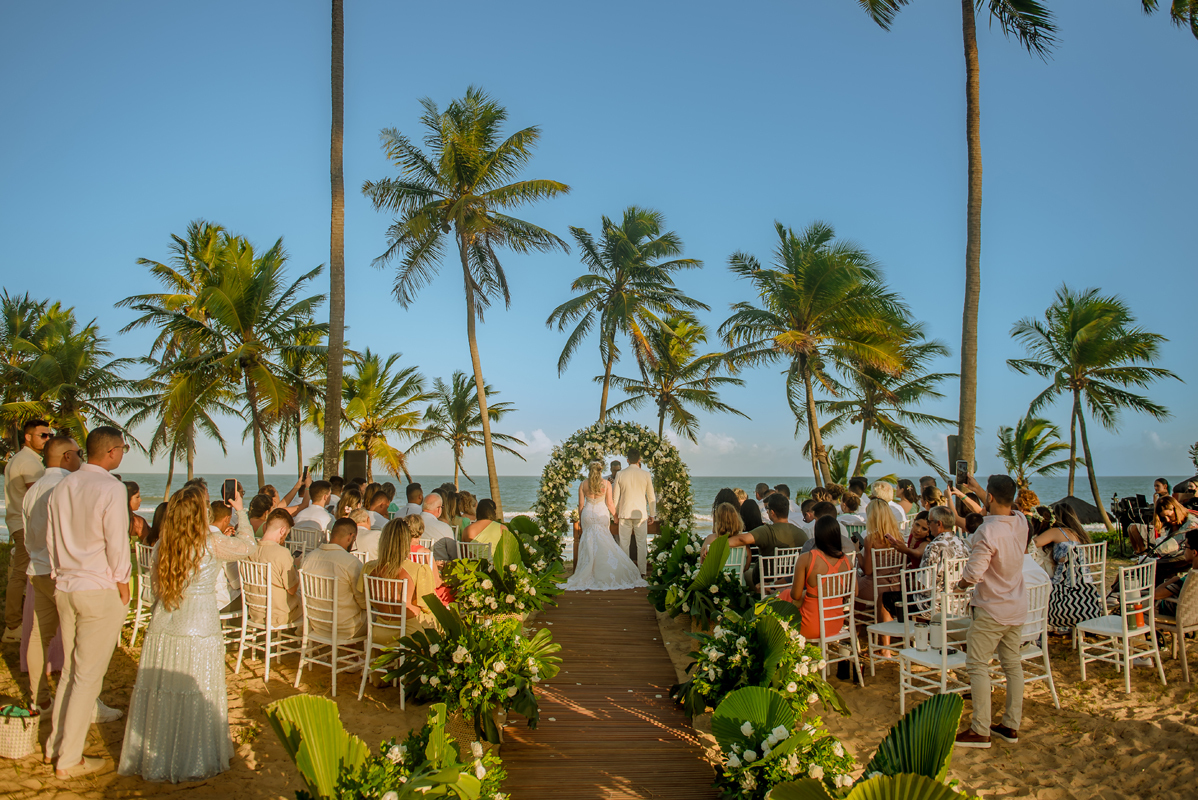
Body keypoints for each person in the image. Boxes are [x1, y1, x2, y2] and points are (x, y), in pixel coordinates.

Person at [118, 484, 253, 782]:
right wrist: (241, 511)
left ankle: (160, 754)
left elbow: (156, 589)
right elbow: (249, 547)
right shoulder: (210, 544)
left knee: (163, 691)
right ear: (199, 514)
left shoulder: (162, 545)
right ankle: (193, 757)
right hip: (199, 627)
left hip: (163, 626)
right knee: (197, 690)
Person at [44, 426, 131, 778]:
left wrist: (58, 574)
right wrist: (123, 582)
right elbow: (116, 541)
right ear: (111, 452)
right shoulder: (111, 487)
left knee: (71, 673)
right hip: (97, 587)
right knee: (87, 679)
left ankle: (56, 745)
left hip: (66, 585)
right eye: (123, 448)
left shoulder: (61, 486)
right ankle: (68, 759)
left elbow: (51, 538)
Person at [954, 474, 1028, 749]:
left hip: (992, 608)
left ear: (990, 497)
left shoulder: (986, 530)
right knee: (1012, 665)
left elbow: (973, 573)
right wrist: (975, 489)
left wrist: (960, 584)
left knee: (976, 665)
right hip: (1016, 606)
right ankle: (1011, 724)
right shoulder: (1021, 522)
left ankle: (980, 728)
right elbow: (1001, 507)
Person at [20, 435, 82, 711]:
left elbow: (27, 533)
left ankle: (40, 699)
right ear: (67, 456)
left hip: (38, 569)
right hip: (61, 573)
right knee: (76, 640)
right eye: (79, 453)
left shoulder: (33, 489)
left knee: (38, 637)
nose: (82, 458)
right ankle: (81, 703)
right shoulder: (67, 486)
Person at [4, 418, 51, 642]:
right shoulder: (30, 463)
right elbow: (39, 496)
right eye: (43, 435)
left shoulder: (21, 459)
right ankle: (13, 625)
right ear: (28, 436)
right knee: (22, 573)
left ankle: (15, 622)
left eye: (49, 435)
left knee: (21, 572)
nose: (47, 439)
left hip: (18, 522)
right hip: (25, 524)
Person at [565, 461, 646, 591]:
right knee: (605, 542)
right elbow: (609, 503)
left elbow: (581, 505)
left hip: (588, 514)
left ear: (590, 471)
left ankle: (588, 571)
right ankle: (604, 571)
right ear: (600, 470)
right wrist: (615, 516)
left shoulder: (583, 484)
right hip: (601, 514)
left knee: (589, 542)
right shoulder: (606, 484)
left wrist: (581, 519)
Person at [360, 518, 438, 645]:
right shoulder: (418, 570)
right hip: (410, 634)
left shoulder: (369, 569)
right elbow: (428, 606)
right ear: (406, 542)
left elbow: (365, 601)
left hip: (379, 631)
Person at [782, 516, 853, 640]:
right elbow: (854, 593)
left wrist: (806, 593)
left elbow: (796, 595)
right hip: (835, 624)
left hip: (811, 626)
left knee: (785, 595)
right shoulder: (847, 561)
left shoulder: (806, 558)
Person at [301, 518, 367, 641]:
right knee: (381, 619)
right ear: (350, 537)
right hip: (346, 628)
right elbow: (364, 603)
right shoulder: (350, 562)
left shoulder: (308, 558)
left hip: (317, 624)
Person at [728, 494, 807, 590]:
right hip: (790, 581)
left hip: (765, 580)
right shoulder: (802, 534)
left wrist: (717, 543)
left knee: (744, 573)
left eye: (767, 509)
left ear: (772, 512)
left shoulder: (768, 531)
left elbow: (742, 539)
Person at [247, 509, 301, 627]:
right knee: (309, 604)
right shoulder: (282, 553)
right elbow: (292, 589)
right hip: (278, 615)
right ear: (282, 530)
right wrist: (296, 567)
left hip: (255, 613)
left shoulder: (250, 550)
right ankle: (304, 641)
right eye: (286, 534)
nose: (285, 537)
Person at [856, 499, 903, 626]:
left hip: (876, 589)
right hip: (896, 587)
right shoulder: (899, 537)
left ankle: (858, 628)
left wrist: (857, 553)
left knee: (853, 583)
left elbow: (868, 571)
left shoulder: (870, 539)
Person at [613, 447, 656, 575]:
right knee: (642, 544)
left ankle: (625, 572)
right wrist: (652, 514)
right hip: (641, 514)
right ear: (639, 459)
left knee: (624, 544)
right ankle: (642, 572)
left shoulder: (620, 474)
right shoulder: (646, 474)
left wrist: (614, 514)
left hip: (624, 513)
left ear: (627, 460)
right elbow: (651, 496)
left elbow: (616, 497)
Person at [1130, 495, 1198, 555]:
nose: (1167, 520)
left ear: (1176, 510)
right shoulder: (1170, 525)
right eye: (1163, 518)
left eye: (1169, 516)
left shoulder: (1191, 524)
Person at [1154, 529, 1197, 615]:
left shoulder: (1190, 578)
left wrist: (1173, 580)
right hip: (1192, 616)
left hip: (1165, 612)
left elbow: (1156, 594)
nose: (1183, 551)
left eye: (1185, 547)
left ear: (1194, 552)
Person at [920, 506, 969, 577]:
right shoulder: (962, 543)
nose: (928, 526)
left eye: (929, 522)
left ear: (939, 524)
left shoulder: (934, 546)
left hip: (938, 587)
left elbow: (924, 579)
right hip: (959, 587)